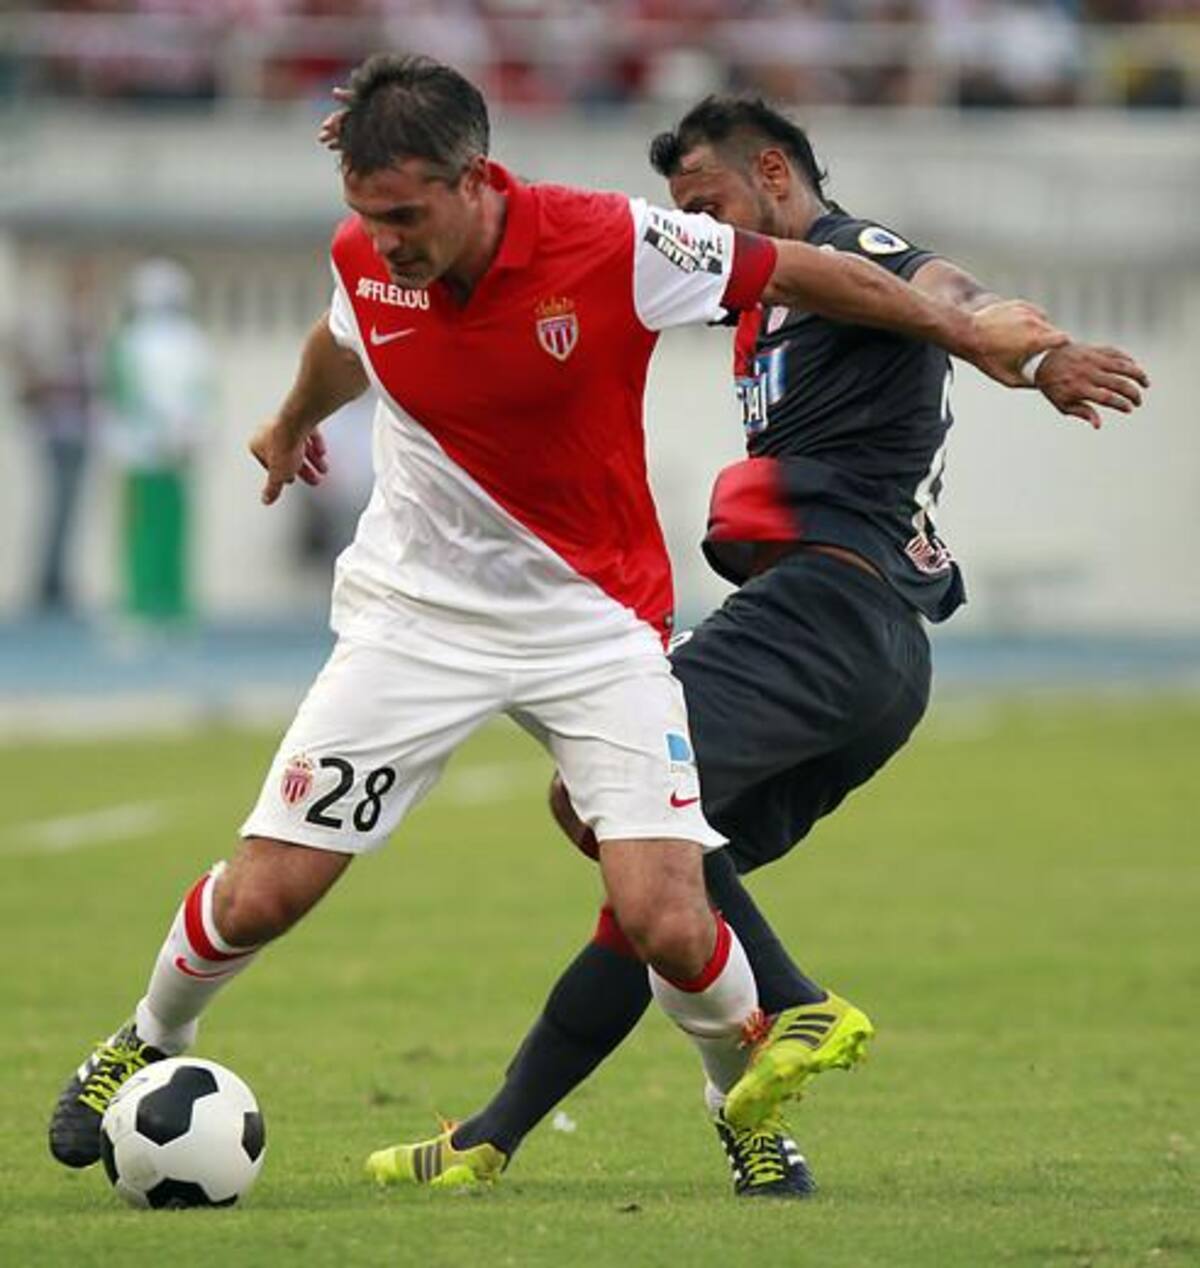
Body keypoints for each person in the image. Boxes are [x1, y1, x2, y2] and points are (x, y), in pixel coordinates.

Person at [47, 56, 1063, 1177]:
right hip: (414, 618)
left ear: (476, 179)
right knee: (264, 890)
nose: (383, 241)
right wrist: (289, 421)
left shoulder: (618, 242)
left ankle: (749, 1117)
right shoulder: (364, 257)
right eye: (365, 216)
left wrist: (970, 335)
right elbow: (344, 342)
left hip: (594, 620)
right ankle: (146, 1035)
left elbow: (811, 272)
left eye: (405, 214)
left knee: (668, 915)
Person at [364, 96, 1149, 1197]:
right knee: (656, 895)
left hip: (824, 614)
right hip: (868, 651)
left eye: (709, 201)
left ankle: (792, 998)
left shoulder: (844, 253)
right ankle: (508, 1135)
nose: (698, 226)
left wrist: (1041, 354)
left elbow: (951, 294)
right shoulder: (757, 300)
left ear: (774, 171)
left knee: (599, 800)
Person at [102, 258, 212, 625]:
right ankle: (151, 605)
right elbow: (127, 395)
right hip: (150, 453)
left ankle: (161, 606)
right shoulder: (181, 341)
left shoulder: (140, 341)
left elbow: (199, 395)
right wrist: (182, 432)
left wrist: (181, 432)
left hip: (157, 453)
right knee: (153, 532)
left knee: (160, 532)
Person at [14, 260, 103, 615]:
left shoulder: (89, 330)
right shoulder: (55, 328)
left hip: (80, 429)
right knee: (56, 506)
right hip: (56, 430)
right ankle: (47, 583)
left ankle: (60, 578)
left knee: (72, 508)